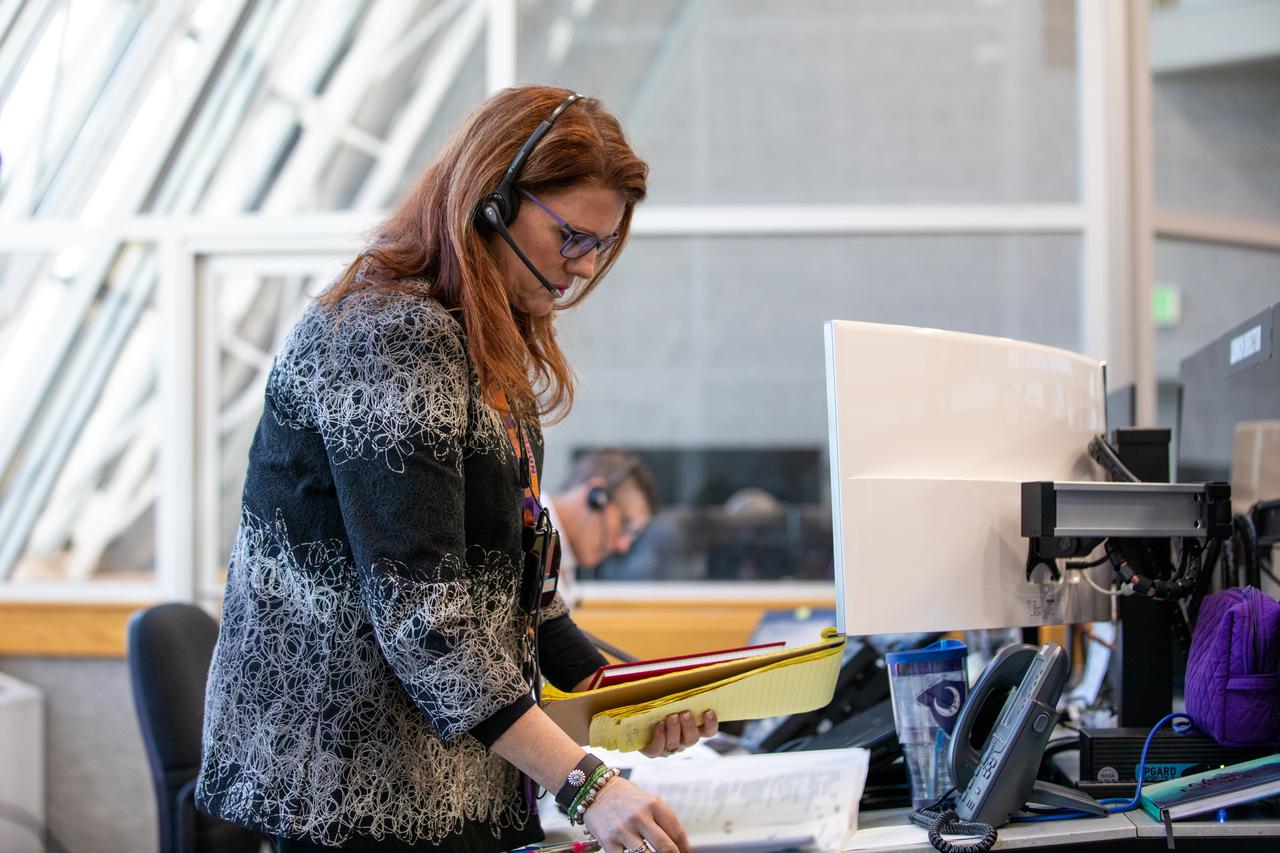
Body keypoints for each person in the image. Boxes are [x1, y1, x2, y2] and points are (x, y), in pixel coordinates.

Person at [196, 86, 717, 853]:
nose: (581, 266)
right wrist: (588, 784)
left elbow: (524, 605)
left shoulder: (487, 350)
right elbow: (425, 617)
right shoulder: (387, 333)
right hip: (352, 784)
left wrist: (638, 701)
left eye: (601, 246)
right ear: (491, 201)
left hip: (442, 782)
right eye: (571, 236)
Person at [544, 449, 659, 607]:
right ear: (596, 496)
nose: (623, 545)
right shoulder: (524, 533)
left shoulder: (560, 559)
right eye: (625, 525)